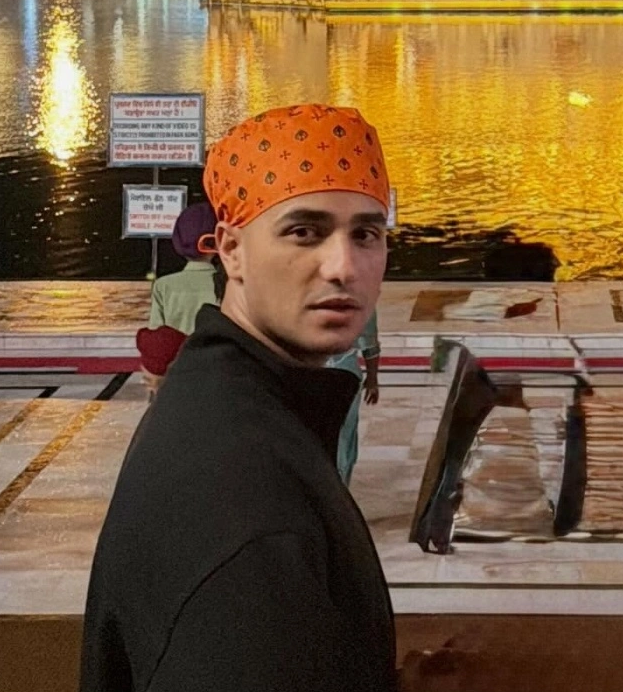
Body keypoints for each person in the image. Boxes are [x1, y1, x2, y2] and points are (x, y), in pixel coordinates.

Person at [81, 104, 398, 692]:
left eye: (366, 234)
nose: (343, 267)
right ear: (230, 249)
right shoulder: (248, 508)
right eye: (304, 231)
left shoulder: (227, 403)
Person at [138, 202, 219, 395]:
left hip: (176, 375)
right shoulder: (228, 284)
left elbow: (157, 335)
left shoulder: (164, 286)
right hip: (215, 372)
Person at [329, 310, 381, 486]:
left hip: (313, 375)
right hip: (345, 376)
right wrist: (372, 379)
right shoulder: (360, 293)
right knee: (344, 438)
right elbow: (369, 341)